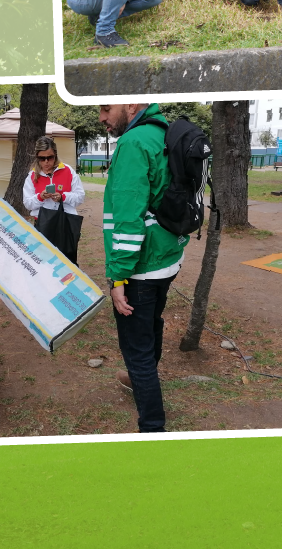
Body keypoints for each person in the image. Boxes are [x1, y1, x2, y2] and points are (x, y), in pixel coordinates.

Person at [96, 102, 190, 432]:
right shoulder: (162, 134)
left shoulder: (133, 143)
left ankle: (152, 428)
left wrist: (118, 277)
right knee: (152, 324)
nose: (102, 117)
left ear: (132, 103)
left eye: (106, 108)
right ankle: (140, 379)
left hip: (141, 267)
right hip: (168, 257)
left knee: (136, 349)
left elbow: (126, 218)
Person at [23, 134, 86, 264]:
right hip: (42, 224)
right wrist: (40, 197)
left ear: (55, 155)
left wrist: (63, 196)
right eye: (42, 158)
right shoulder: (32, 176)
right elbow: (28, 203)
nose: (46, 162)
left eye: (50, 158)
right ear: (37, 157)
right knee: (44, 263)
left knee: (67, 262)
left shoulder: (68, 171)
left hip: (65, 223)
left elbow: (80, 197)